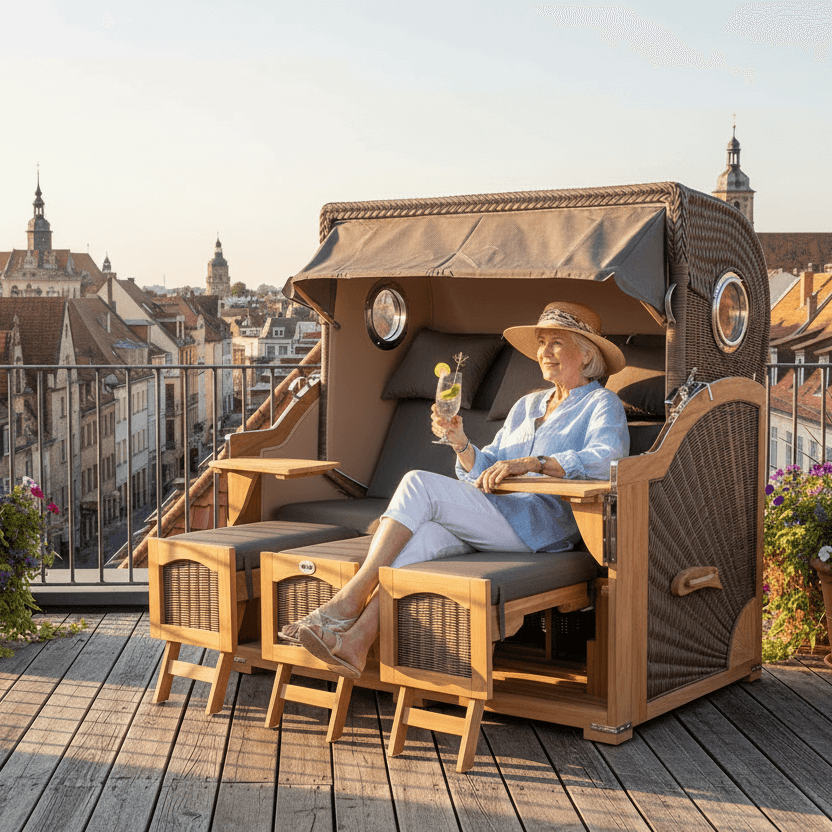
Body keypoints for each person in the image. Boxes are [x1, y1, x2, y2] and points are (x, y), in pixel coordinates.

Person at [283, 301, 630, 678]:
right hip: (493, 516)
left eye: (556, 343)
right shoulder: (527, 404)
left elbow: (607, 459)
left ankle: (347, 601)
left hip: (537, 528)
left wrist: (534, 462)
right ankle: (355, 644)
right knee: (419, 542)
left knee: (418, 482)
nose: (544, 352)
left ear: (587, 353)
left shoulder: (602, 404)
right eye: (542, 342)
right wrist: (460, 442)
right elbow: (483, 469)